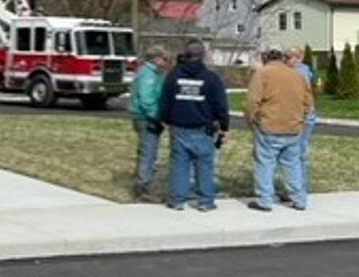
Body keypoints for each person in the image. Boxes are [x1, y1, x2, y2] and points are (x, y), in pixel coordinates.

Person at [158, 37, 229, 212]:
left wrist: (164, 119)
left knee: (179, 164)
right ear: (202, 55)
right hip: (203, 129)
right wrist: (224, 126)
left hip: (179, 127)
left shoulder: (173, 76)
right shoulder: (211, 78)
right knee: (205, 165)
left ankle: (177, 200)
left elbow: (165, 101)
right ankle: (205, 201)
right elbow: (220, 104)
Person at [245, 47, 313, 211]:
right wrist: (300, 120)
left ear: (265, 59)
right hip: (293, 127)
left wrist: (252, 121)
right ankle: (299, 199)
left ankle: (265, 200)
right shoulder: (297, 75)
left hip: (269, 125)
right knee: (292, 164)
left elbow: (252, 102)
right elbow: (309, 103)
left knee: (265, 163)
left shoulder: (262, 74)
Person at [127, 45, 169, 201]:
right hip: (146, 117)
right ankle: (142, 188)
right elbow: (147, 99)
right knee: (148, 152)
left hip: (143, 116)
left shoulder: (151, 73)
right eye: (164, 59)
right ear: (156, 58)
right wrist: (158, 116)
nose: (166, 62)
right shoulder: (148, 75)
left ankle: (141, 181)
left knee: (145, 150)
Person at [279, 46, 318, 200]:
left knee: (296, 154)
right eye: (288, 57)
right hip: (304, 115)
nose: (291, 60)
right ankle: (297, 188)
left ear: (300, 58)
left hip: (302, 116)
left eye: (295, 57)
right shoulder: (305, 71)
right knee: (297, 153)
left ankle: (297, 190)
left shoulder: (298, 73)